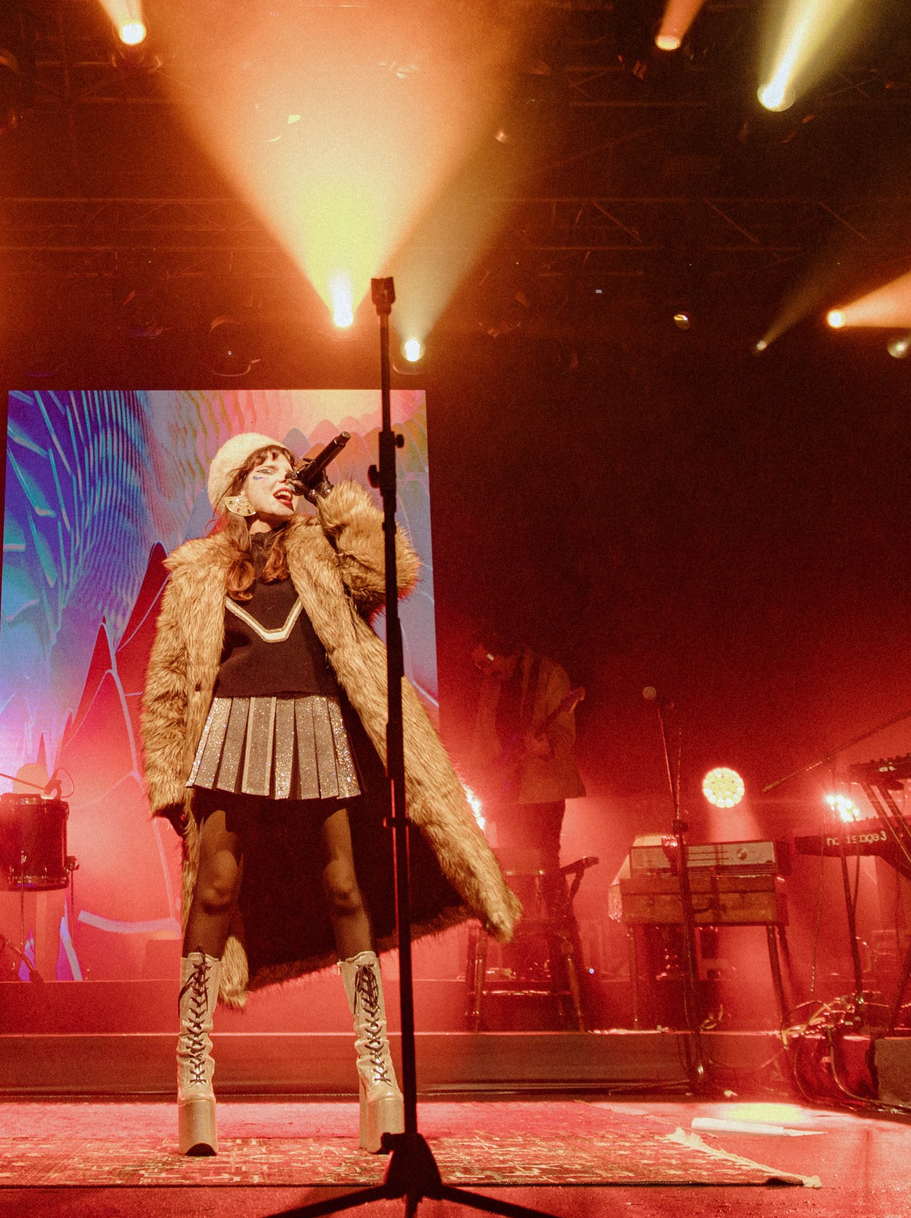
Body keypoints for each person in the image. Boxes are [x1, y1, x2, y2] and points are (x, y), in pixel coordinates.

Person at [141, 432, 518, 1156]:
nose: (284, 476)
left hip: (318, 725)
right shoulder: (194, 575)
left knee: (345, 887)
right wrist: (165, 779)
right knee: (215, 888)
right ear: (232, 489)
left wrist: (333, 504)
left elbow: (392, 573)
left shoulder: (320, 550)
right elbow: (165, 682)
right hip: (229, 733)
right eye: (267, 468)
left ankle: (377, 1072)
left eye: (289, 467)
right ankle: (194, 1075)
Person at [468, 637, 586, 870]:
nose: (487, 670)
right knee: (513, 868)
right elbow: (481, 739)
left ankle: (556, 908)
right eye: (479, 666)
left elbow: (564, 733)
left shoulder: (549, 674)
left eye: (488, 661)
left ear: (506, 651)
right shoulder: (491, 684)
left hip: (543, 791)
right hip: (506, 792)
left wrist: (546, 747)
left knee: (546, 864)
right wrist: (478, 782)